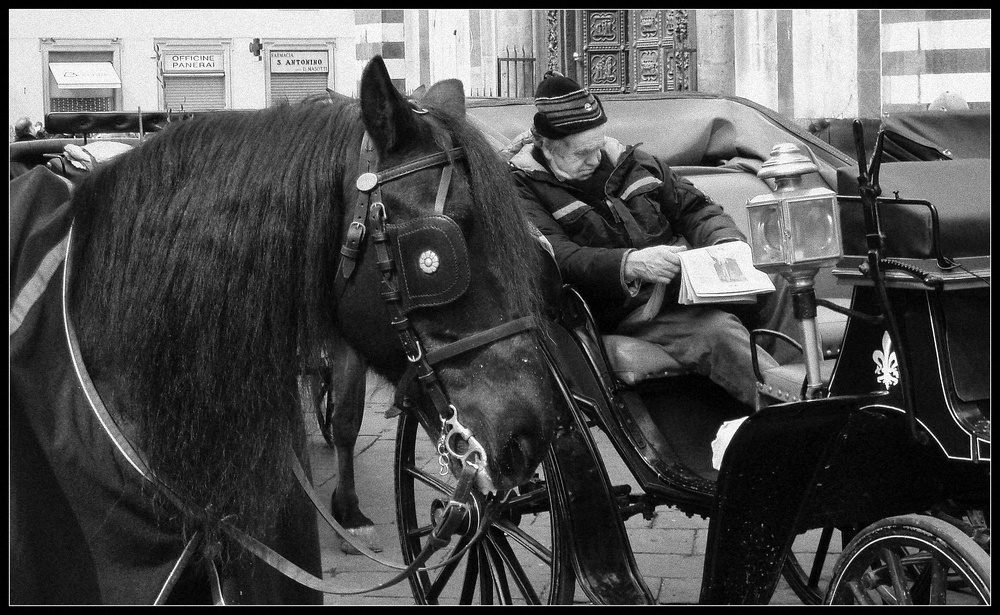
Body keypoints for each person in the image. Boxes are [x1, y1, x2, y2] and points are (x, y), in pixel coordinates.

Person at [507, 72, 780, 410]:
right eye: (580, 154)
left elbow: (697, 208)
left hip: (684, 284)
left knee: (777, 283)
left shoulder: (632, 161)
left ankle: (794, 387)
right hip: (626, 307)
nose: (594, 160)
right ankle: (789, 413)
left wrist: (727, 243)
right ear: (546, 146)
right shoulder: (521, 188)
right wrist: (631, 264)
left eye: (598, 146)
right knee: (717, 331)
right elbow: (560, 258)